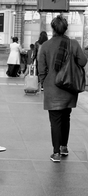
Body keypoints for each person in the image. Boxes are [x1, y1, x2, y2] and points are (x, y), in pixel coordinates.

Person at [38, 15, 87, 163]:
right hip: (69, 87)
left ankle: (56, 153)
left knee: (55, 121)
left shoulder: (45, 45)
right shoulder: (73, 43)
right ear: (66, 28)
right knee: (66, 117)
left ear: (52, 28)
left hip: (53, 88)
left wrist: (44, 83)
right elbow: (83, 61)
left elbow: (41, 69)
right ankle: (64, 147)